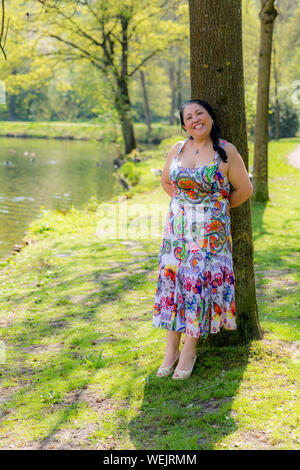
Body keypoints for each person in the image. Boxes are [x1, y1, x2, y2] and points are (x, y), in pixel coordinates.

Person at [152, 99, 253, 380]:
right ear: (184, 124)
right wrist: (185, 207)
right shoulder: (177, 149)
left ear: (210, 118)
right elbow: (166, 183)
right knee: (174, 284)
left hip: (209, 235)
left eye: (200, 113)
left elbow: (244, 190)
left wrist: (213, 209)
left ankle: (189, 350)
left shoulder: (226, 151)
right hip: (177, 233)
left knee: (195, 285)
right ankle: (171, 350)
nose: (195, 119)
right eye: (188, 116)